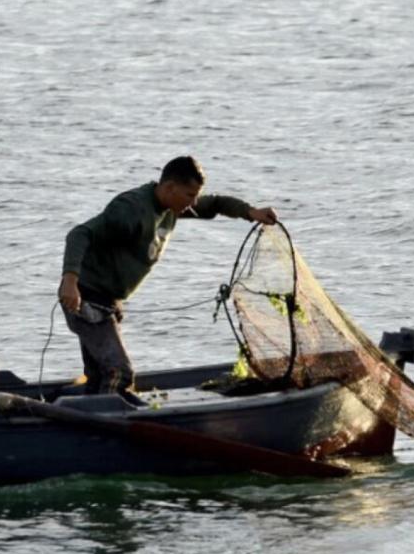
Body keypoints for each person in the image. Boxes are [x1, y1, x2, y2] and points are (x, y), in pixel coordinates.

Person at [58, 155, 278, 398]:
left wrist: (251, 212)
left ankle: (89, 413)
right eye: (189, 195)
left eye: (196, 195)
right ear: (170, 187)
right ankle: (108, 423)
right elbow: (79, 234)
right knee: (119, 373)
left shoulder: (173, 206)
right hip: (86, 298)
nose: (193, 202)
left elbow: (215, 204)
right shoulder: (131, 210)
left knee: (99, 374)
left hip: (108, 300)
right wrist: (70, 282)